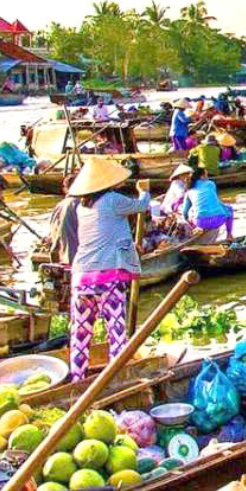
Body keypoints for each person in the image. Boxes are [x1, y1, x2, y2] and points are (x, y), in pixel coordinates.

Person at [68, 158, 151, 379]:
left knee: (80, 333)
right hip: (108, 278)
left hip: (81, 277)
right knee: (116, 331)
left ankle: (77, 377)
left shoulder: (82, 206)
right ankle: (116, 377)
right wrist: (144, 190)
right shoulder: (113, 200)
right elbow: (142, 205)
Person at [182, 167, 234, 240]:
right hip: (218, 220)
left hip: (200, 222)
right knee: (229, 209)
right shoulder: (210, 184)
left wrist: (191, 223)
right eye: (206, 175)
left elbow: (184, 213)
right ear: (201, 177)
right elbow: (215, 201)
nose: (208, 177)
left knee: (191, 211)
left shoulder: (189, 191)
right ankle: (229, 235)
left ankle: (197, 227)